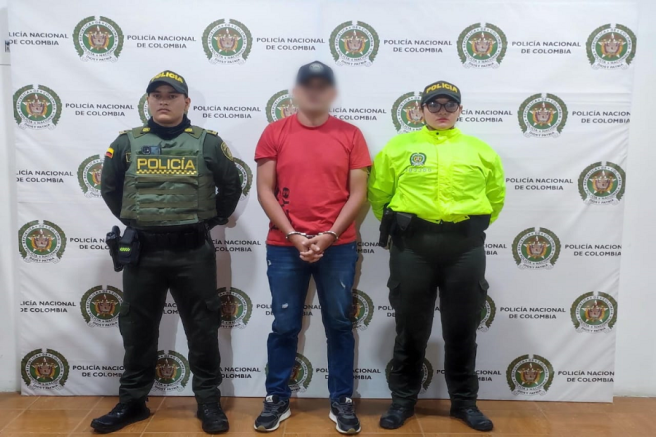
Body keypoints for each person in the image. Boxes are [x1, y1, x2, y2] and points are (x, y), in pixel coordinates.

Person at [92, 70, 242, 434]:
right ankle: (132, 402)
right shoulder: (126, 143)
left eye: (172, 95)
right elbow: (110, 188)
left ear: (186, 102)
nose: (163, 100)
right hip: (143, 252)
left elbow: (231, 185)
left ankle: (208, 402)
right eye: (156, 95)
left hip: (193, 251)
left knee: (203, 329)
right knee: (138, 330)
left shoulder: (207, 143)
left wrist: (211, 220)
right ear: (147, 101)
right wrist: (139, 220)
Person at [368, 81, 505, 432]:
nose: (442, 111)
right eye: (434, 105)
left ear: (460, 110)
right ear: (420, 110)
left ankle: (464, 403)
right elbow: (379, 194)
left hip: (464, 248)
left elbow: (495, 197)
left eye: (449, 105)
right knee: (410, 329)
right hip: (413, 247)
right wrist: (407, 228)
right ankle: (402, 402)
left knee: (462, 328)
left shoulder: (481, 151)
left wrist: (462, 228)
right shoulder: (398, 148)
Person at [253, 61, 371, 434]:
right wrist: (294, 235)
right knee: (284, 325)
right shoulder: (274, 132)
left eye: (322, 86)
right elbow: (264, 190)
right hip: (285, 245)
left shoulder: (351, 135)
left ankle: (342, 399)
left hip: (338, 246)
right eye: (308, 86)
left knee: (339, 324)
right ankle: (276, 397)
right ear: (296, 91)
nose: (314, 92)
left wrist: (330, 234)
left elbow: (358, 193)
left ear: (332, 92)